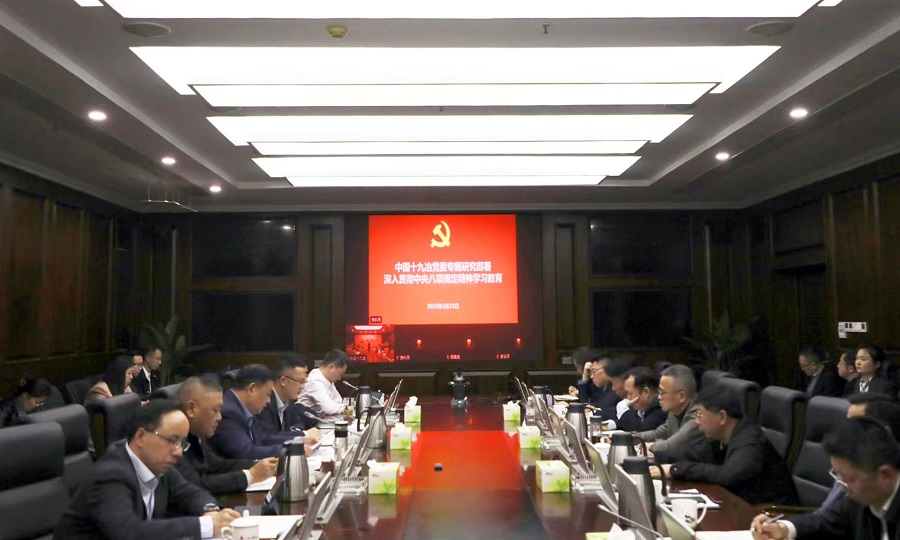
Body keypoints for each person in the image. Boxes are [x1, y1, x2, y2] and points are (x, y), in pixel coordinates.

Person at [54, 399, 240, 540]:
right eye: (172, 441)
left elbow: (192, 493)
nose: (178, 452)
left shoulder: (157, 464)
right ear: (141, 436)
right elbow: (128, 532)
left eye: (182, 443)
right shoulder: (110, 475)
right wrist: (206, 525)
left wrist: (210, 510)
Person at [751, 417, 900, 540]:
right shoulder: (859, 499)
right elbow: (823, 522)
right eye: (838, 475)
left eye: (849, 478)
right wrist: (783, 528)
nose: (842, 487)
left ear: (885, 475)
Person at [654, 386, 798, 506]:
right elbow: (695, 455)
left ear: (722, 417)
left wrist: (675, 470)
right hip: (739, 506)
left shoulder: (750, 440)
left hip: (771, 515)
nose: (697, 421)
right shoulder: (720, 436)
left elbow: (728, 475)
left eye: (699, 414)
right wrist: (656, 458)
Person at [175, 376, 278, 495]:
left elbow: (217, 465)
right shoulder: (173, 442)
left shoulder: (195, 434)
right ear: (191, 409)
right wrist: (250, 476)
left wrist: (261, 465)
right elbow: (197, 485)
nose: (219, 417)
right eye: (215, 410)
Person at [209, 364, 320, 460]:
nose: (268, 401)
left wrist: (298, 440)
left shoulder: (244, 408)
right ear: (252, 389)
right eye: (267, 394)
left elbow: (263, 439)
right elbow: (246, 452)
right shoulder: (229, 412)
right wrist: (292, 450)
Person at [816, 393, 900, 514]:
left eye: (855, 424)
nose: (847, 430)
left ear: (882, 430)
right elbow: (827, 515)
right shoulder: (848, 462)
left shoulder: (871, 479)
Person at [635, 364, 704, 462]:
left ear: (681, 396)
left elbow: (671, 446)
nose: (659, 397)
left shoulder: (699, 416)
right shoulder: (674, 411)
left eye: (663, 392)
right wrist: (628, 438)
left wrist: (652, 445)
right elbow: (658, 434)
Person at [257, 354, 320, 437]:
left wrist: (296, 431)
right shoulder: (264, 402)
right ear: (283, 381)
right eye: (300, 382)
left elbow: (299, 421)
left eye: (304, 382)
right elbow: (268, 438)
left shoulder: (289, 401)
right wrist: (303, 434)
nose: (302, 387)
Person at [299, 349, 353, 422]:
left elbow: (338, 402)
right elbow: (329, 408)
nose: (339, 378)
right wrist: (347, 408)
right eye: (340, 374)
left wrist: (340, 407)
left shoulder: (327, 380)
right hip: (306, 423)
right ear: (332, 367)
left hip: (321, 422)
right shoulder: (315, 380)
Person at [617, 367, 667, 433]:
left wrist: (623, 409)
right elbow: (621, 424)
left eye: (630, 393)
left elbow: (643, 432)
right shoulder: (638, 408)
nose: (628, 398)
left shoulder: (661, 409)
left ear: (646, 392)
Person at [579, 355, 625, 422]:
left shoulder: (615, 388)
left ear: (607, 370)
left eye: (594, 371)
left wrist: (594, 411)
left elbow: (615, 414)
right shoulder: (600, 388)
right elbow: (585, 403)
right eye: (590, 372)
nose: (591, 376)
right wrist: (585, 377)